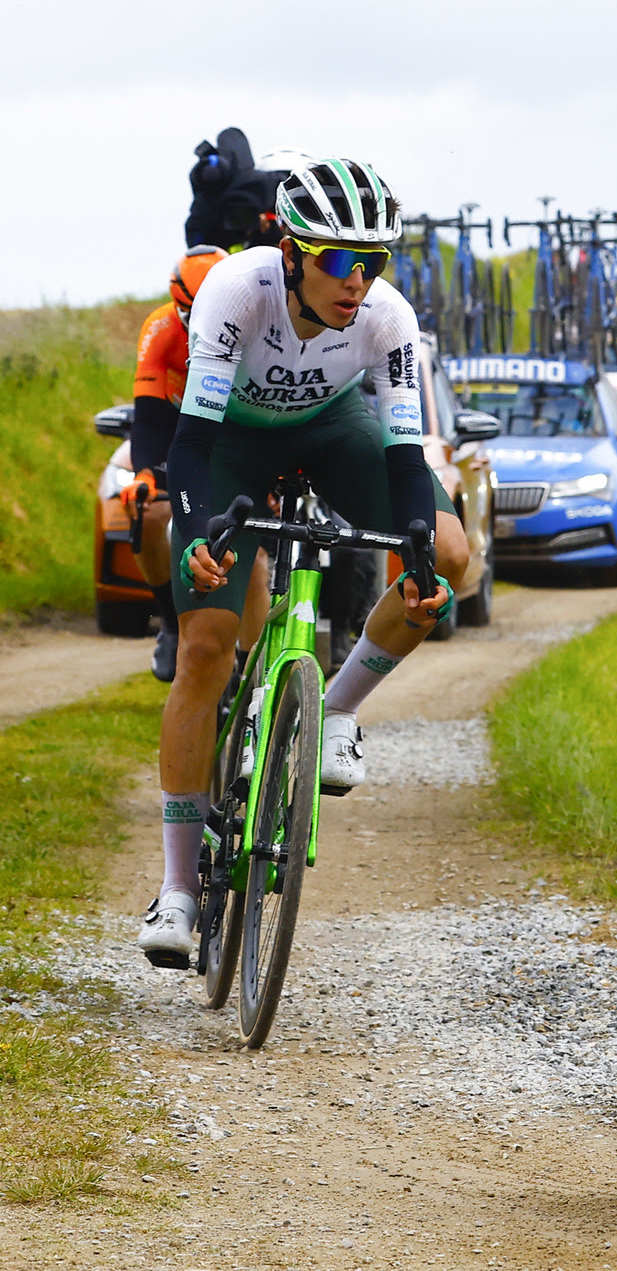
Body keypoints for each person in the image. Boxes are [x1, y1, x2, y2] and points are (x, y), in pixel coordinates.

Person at [136, 157, 472, 966]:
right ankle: (179, 889)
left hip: (331, 428)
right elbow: (190, 443)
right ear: (291, 252)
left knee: (454, 552)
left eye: (373, 261)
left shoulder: (385, 317)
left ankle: (339, 709)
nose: (358, 280)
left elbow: (400, 455)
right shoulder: (233, 291)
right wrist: (197, 531)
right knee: (205, 649)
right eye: (339, 260)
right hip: (231, 444)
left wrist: (419, 546)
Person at [126, 248, 272, 682]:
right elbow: (149, 418)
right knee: (149, 512)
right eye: (192, 314)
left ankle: (251, 673)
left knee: (253, 555)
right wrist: (145, 473)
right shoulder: (161, 328)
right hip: (181, 432)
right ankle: (171, 625)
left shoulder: (255, 322)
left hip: (241, 431)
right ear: (178, 306)